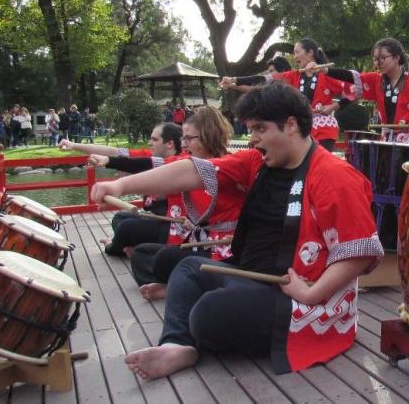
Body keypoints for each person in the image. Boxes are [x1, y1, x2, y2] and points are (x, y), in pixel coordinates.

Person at [90, 82, 384, 379]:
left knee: (208, 313)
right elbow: (191, 170)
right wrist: (121, 185)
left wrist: (310, 294)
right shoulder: (257, 161)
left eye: (260, 129)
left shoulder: (334, 176)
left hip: (294, 295)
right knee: (189, 267)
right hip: (249, 274)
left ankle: (197, 329)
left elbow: (359, 252)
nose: (253, 139)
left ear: (291, 124)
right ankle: (178, 344)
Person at [123, 107, 236, 300]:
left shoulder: (232, 166)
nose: (184, 144)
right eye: (183, 139)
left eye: (188, 139)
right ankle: (178, 285)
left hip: (223, 248)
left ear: (207, 136)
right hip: (196, 239)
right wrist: (109, 163)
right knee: (143, 253)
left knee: (165, 258)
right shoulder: (188, 161)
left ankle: (176, 287)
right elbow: (148, 167)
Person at [221, 39, 351, 151]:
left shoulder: (327, 74)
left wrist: (334, 106)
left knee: (319, 165)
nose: (294, 56)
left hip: (323, 128)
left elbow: (353, 89)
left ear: (310, 53)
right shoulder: (294, 76)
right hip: (301, 127)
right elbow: (265, 79)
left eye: (297, 52)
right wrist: (236, 80)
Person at [323, 38, 409, 144]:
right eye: (375, 59)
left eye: (382, 58)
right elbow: (352, 76)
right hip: (386, 140)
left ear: (396, 58)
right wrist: (326, 71)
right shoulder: (377, 80)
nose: (378, 63)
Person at [89, 122, 183, 257]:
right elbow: (121, 154)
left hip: (172, 225)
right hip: (154, 218)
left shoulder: (180, 163)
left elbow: (139, 164)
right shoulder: (155, 158)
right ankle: (134, 247)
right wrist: (73, 146)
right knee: (120, 218)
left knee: (125, 228)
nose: (149, 143)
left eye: (154, 139)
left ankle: (112, 246)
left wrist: (109, 161)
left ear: (169, 144)